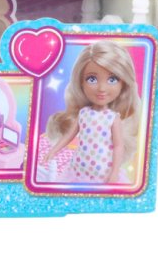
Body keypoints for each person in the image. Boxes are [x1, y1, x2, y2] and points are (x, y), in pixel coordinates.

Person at [42, 41, 140, 183]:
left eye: (112, 79)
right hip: (78, 170)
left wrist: (114, 172)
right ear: (81, 82)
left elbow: (118, 146)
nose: (101, 88)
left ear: (123, 84)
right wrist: (53, 150)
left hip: (102, 174)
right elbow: (69, 136)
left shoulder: (113, 118)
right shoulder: (83, 113)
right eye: (92, 79)